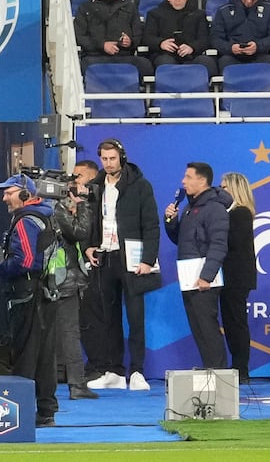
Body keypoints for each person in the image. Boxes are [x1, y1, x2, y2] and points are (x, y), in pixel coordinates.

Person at [82, 138, 160, 391]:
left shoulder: (140, 185)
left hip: (133, 259)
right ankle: (114, 370)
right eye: (104, 159)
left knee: (136, 317)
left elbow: (151, 225)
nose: (108, 163)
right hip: (105, 257)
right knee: (108, 318)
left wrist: (148, 260)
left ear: (122, 158)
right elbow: (88, 222)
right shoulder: (95, 187)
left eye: (112, 158)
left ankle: (137, 371)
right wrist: (88, 246)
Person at [0, 174, 59, 427]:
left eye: (9, 192)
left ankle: (19, 412)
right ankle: (45, 410)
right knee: (44, 354)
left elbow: (27, 261)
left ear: (25, 194)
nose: (4, 197)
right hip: (44, 293)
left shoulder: (25, 220)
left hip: (28, 294)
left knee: (26, 354)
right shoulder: (43, 215)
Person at [164, 161, 230, 369]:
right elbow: (182, 240)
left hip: (203, 279)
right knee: (198, 327)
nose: (183, 181)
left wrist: (206, 276)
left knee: (208, 327)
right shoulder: (189, 208)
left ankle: (219, 373)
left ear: (202, 180)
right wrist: (171, 221)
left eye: (188, 177)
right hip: (189, 277)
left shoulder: (215, 209)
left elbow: (219, 245)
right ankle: (209, 368)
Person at [52, 159, 99, 399]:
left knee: (54, 332)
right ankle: (77, 385)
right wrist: (82, 207)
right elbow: (80, 232)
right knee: (70, 333)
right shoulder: (57, 208)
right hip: (63, 279)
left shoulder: (47, 207)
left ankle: (57, 378)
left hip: (55, 278)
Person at [74, 0, 152, 76]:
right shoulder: (85, 8)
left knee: (145, 65)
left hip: (124, 56)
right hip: (95, 57)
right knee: (86, 66)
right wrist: (102, 45)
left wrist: (130, 41)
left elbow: (138, 32)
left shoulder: (129, 5)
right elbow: (80, 36)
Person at [218, 172, 257, 381]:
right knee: (231, 322)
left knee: (236, 322)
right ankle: (237, 366)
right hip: (229, 276)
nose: (221, 191)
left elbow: (232, 242)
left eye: (224, 187)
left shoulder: (240, 213)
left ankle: (241, 368)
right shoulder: (232, 213)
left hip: (237, 277)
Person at [142, 0, 216, 76]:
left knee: (206, 62)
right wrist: (161, 43)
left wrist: (192, 47)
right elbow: (147, 37)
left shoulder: (199, 15)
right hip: (164, 54)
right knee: (165, 62)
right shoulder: (155, 14)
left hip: (192, 55)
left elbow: (205, 39)